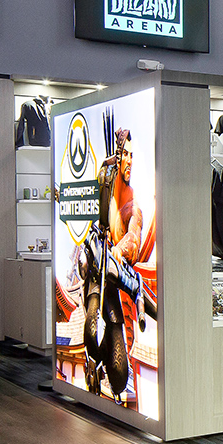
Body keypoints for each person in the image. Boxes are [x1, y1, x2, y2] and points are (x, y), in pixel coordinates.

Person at [81, 126, 145, 402]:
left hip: (112, 273)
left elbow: (134, 236)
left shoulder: (133, 205)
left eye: (132, 155)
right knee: (92, 326)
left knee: (118, 373)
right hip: (95, 263)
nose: (129, 160)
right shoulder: (104, 180)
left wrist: (120, 249)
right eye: (124, 154)